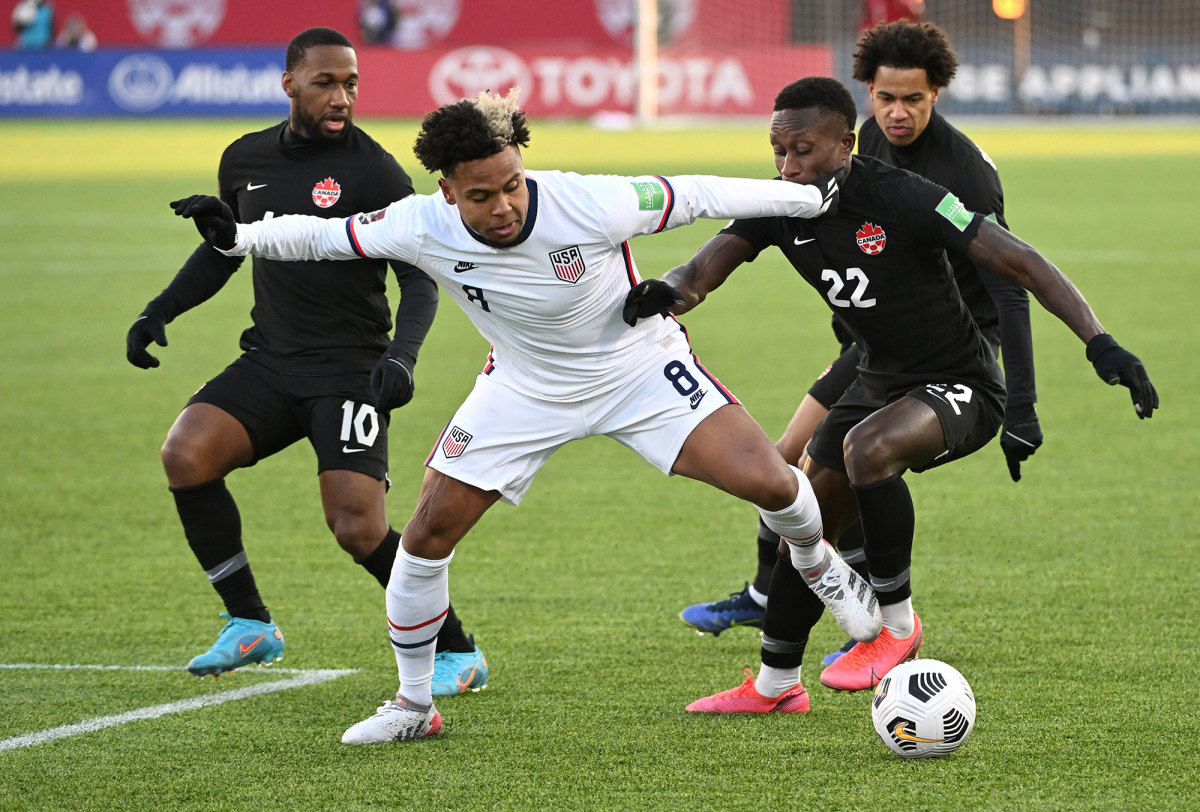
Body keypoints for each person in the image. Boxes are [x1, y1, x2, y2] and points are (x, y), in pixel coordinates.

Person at [171, 87, 878, 743]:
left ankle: (819, 566)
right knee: (422, 539)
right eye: (482, 195)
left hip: (637, 371)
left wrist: (808, 199)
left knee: (775, 484)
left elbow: (699, 194)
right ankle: (413, 706)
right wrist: (239, 239)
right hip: (523, 389)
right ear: (448, 191)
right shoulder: (418, 223)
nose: (505, 205)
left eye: (512, 184)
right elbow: (324, 235)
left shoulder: (587, 201)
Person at [631, 76, 1156, 711]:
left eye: (803, 151)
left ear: (845, 145)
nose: (789, 167)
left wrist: (1101, 344)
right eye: (779, 151)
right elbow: (703, 268)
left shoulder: (904, 195)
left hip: (962, 382)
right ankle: (775, 685)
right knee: (807, 520)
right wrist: (669, 291)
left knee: (867, 449)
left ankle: (898, 626)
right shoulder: (777, 203)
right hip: (876, 379)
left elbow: (1021, 261)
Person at [126, 27, 488, 696]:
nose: (341, 96)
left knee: (357, 528)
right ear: (290, 83)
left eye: (351, 83)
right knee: (186, 454)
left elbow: (418, 278)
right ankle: (249, 622)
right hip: (270, 359)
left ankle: (457, 649)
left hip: (349, 371)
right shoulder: (245, 158)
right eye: (326, 82)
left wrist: (402, 357)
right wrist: (160, 310)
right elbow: (227, 247)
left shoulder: (376, 172)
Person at [679, 21, 1043, 671]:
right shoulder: (852, 141)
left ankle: (872, 612)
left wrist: (1022, 403)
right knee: (789, 465)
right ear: (866, 97)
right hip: (873, 344)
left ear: (936, 95)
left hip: (948, 342)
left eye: (913, 99)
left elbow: (1010, 286)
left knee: (855, 460)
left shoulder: (961, 173)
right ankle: (770, 598)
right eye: (885, 98)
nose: (897, 113)